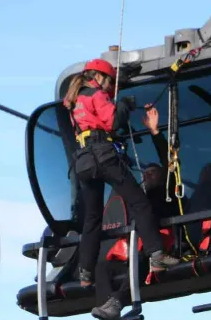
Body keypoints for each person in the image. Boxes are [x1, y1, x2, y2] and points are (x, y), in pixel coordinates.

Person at [63, 59, 180, 289]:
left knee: (92, 218)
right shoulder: (97, 95)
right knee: (140, 202)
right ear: (99, 77)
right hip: (103, 156)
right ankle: (156, 255)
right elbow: (113, 122)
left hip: (84, 162)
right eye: (109, 81)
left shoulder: (75, 100)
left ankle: (85, 273)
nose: (109, 86)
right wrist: (126, 104)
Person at [85, 105, 188, 320]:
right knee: (102, 267)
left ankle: (117, 303)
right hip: (135, 247)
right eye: (147, 172)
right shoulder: (137, 196)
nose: (148, 175)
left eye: (153, 173)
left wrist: (155, 133)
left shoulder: (168, 191)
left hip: (161, 246)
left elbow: (170, 160)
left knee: (143, 259)